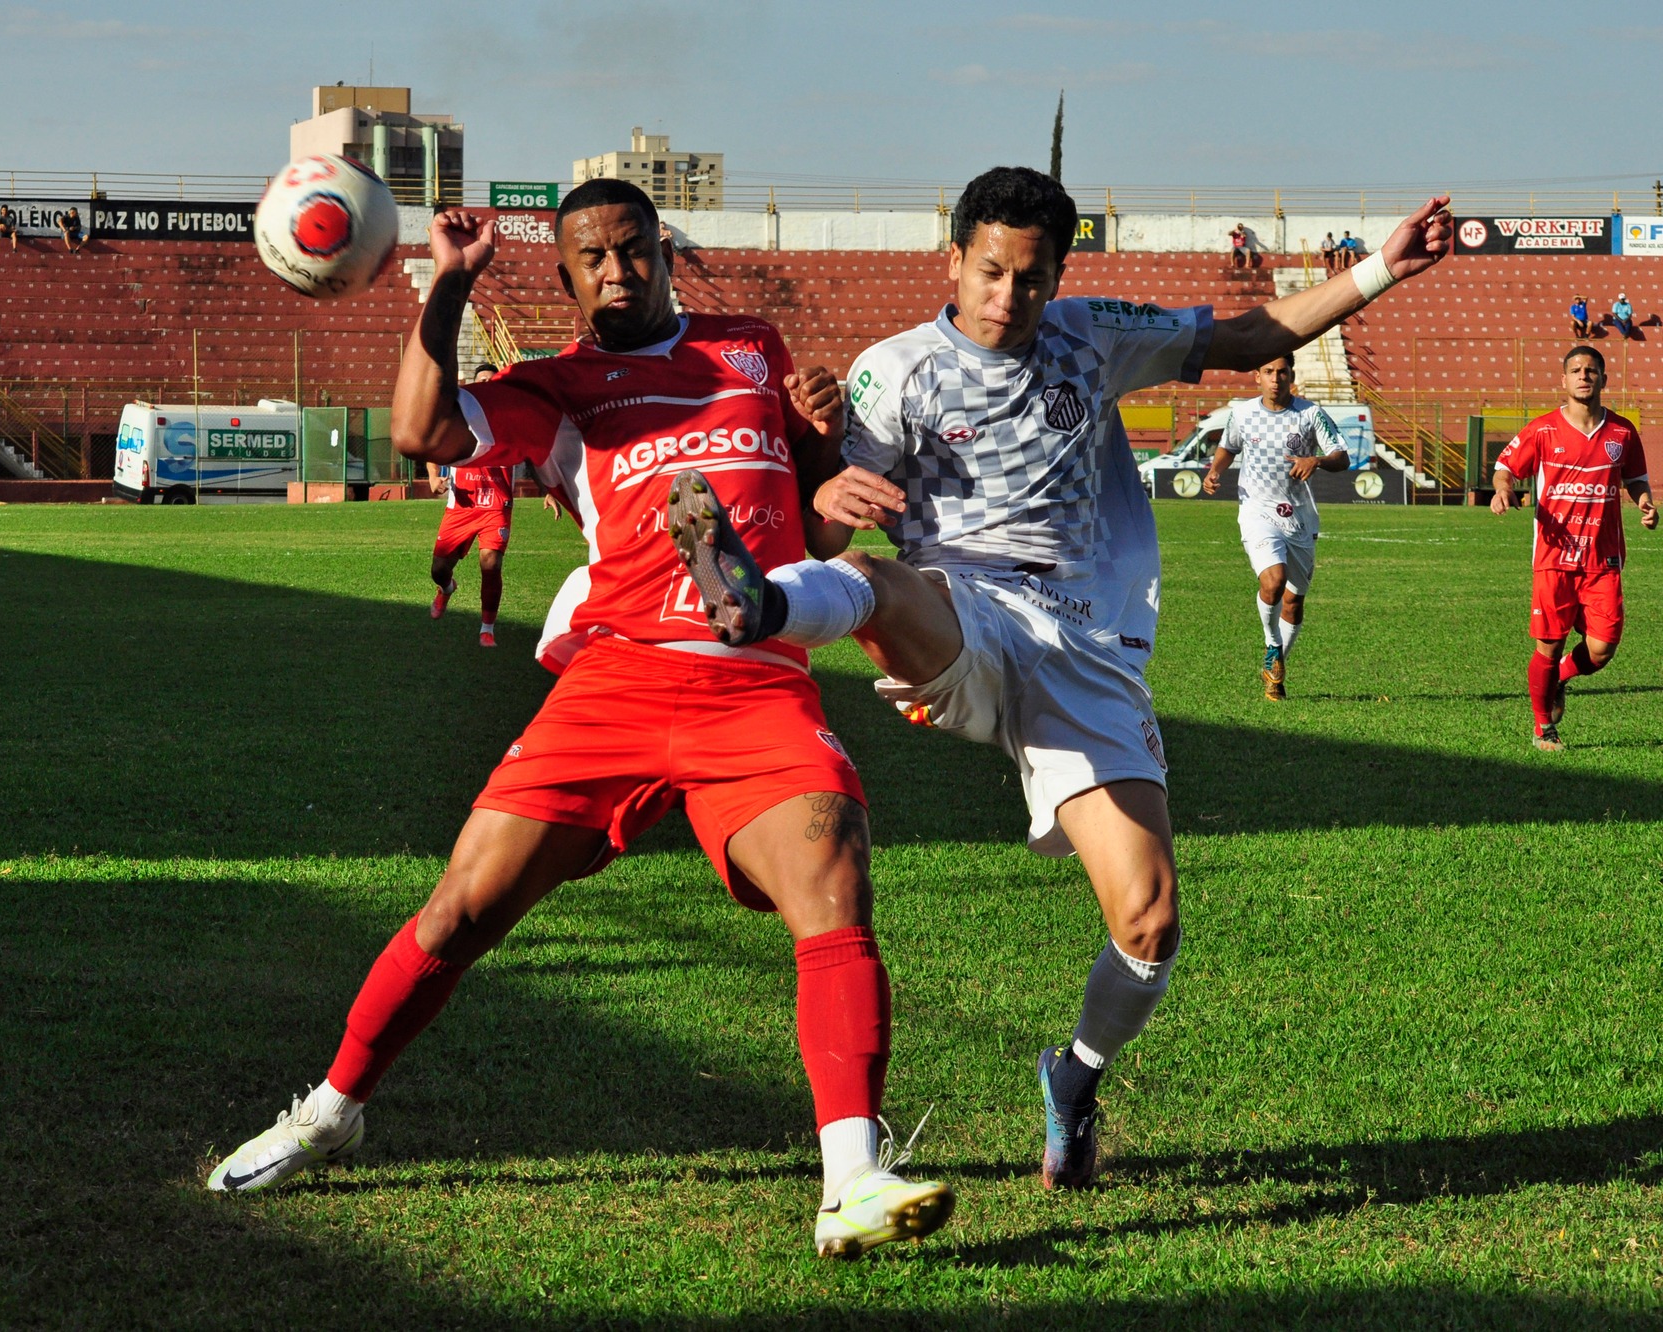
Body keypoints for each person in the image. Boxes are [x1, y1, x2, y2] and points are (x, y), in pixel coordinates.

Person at [206, 178, 956, 1260]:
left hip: (753, 677)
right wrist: (449, 286)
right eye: (591, 259)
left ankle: (851, 1177)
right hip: (615, 682)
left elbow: (806, 513)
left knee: (831, 876)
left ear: (663, 253)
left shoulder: (752, 348)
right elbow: (419, 429)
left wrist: (826, 466)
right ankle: (330, 1110)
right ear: (562, 276)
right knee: (461, 909)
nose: (616, 271)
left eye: (633, 250)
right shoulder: (556, 387)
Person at [665, 166, 1454, 1192]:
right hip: (961, 611)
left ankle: (1074, 1079)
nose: (1006, 299)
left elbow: (1244, 337)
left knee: (1148, 920)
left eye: (1029, 279)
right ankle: (755, 607)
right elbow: (824, 522)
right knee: (865, 577)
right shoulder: (892, 372)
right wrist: (829, 490)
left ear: (1056, 275)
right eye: (989, 272)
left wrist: (1383, 269)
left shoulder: (1089, 335)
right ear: (952, 260)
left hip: (1084, 648)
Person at [1490, 345, 1655, 751]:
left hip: (1604, 559)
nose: (1584, 375)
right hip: (1553, 559)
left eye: (1591, 370)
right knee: (1549, 642)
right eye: (1576, 370)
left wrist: (1646, 503)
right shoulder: (1543, 430)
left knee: (1602, 649)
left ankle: (1560, 677)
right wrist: (1502, 491)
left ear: (1603, 378)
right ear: (1563, 381)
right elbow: (1505, 468)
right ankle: (1543, 727)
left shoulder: (1621, 432)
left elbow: (1636, 479)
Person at [1201, 356, 1349, 698]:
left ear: (1291, 375)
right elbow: (1228, 446)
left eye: (1282, 372)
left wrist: (1317, 460)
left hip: (1299, 516)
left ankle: (1275, 669)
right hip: (1256, 509)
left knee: (1294, 603)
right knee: (1274, 580)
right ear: (1257, 377)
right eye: (1268, 372)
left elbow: (1342, 456)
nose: (1275, 378)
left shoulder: (1310, 415)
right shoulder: (1242, 413)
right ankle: (1272, 644)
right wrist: (1215, 471)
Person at [424, 363, 514, 646]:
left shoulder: (510, 418)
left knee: (490, 563)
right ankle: (447, 588)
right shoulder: (458, 416)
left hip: (496, 505)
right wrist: (433, 476)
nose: (486, 382)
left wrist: (550, 489)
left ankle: (487, 628)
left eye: (491, 379)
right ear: (472, 386)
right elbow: (434, 446)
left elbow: (539, 452)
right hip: (461, 505)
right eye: (481, 380)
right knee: (438, 569)